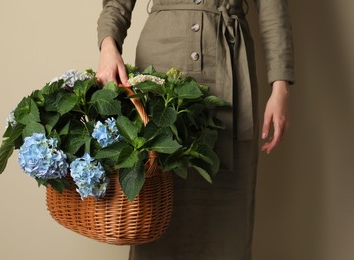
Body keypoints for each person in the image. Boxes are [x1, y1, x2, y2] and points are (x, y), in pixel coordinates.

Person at [96, 0, 294, 259]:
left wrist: (280, 87)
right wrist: (108, 45)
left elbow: (273, 7)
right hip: (160, 71)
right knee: (157, 207)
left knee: (227, 217)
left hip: (228, 66)